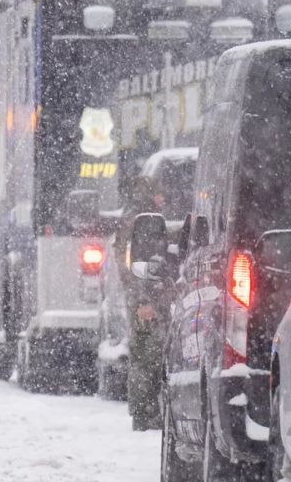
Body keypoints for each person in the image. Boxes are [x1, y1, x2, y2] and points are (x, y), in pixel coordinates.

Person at [116, 176, 168, 431]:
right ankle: (145, 414)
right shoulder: (143, 220)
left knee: (147, 355)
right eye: (160, 192)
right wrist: (142, 300)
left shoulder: (139, 217)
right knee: (147, 356)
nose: (164, 197)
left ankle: (146, 412)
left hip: (150, 297)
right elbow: (132, 265)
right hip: (147, 299)